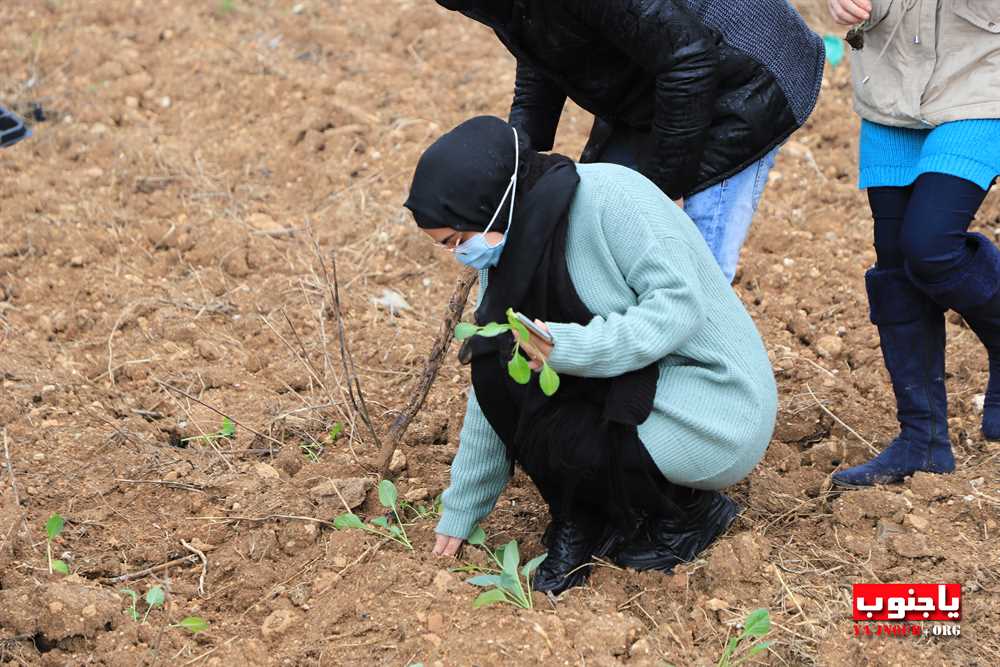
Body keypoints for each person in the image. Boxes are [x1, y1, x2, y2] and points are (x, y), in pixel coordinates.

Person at [404, 116, 777, 593]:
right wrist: (461, 509)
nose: (460, 254)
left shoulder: (611, 199)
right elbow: (490, 397)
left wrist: (570, 348)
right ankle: (583, 521)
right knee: (498, 373)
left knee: (570, 436)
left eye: (458, 240)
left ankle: (688, 514)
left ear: (491, 206)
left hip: (713, 406)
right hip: (645, 384)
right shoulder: (509, 247)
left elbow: (678, 308)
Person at [433, 0, 825, 282]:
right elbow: (540, 43)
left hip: (745, 74)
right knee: (604, 227)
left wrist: (661, 188)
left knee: (690, 267)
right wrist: (516, 160)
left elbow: (688, 59)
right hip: (659, 71)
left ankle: (699, 384)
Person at [827, 0, 1000, 487]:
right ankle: (922, 440)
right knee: (896, 259)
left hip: (980, 76)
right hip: (890, 76)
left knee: (931, 245)